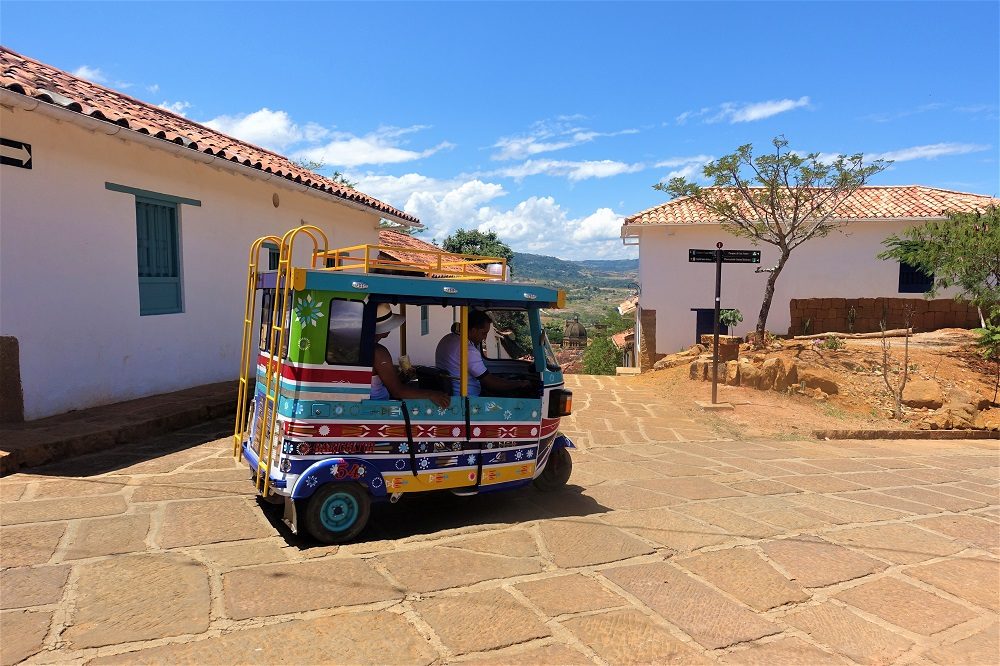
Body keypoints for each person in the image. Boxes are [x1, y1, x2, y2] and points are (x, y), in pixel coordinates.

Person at [435, 309, 532, 397]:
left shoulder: (447, 339)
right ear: (473, 330)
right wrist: (519, 383)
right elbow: (491, 383)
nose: (484, 337)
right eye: (483, 333)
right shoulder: (468, 350)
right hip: (470, 398)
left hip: (451, 394)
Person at [371, 304, 450, 408]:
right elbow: (398, 391)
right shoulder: (379, 352)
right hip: (380, 405)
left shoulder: (363, 348)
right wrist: (432, 394)